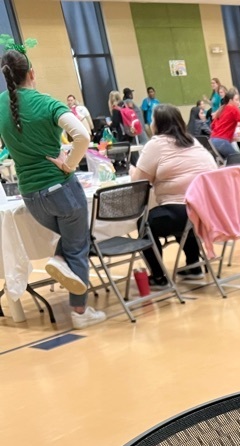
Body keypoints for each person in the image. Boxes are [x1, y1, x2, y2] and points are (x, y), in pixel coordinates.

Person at [0, 47, 105, 329]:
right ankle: (80, 312)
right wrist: (69, 164)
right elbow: (82, 135)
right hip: (61, 189)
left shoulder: (0, 105)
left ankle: (58, 259)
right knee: (77, 244)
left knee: (71, 242)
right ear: (31, 73)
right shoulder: (46, 103)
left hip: (31, 196)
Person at [129, 103, 216, 286]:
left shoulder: (156, 144)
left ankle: (159, 275)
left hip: (183, 211)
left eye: (152, 120)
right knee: (178, 214)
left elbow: (138, 183)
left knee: (146, 223)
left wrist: (132, 171)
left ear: (158, 124)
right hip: (206, 210)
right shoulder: (193, 141)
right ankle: (194, 265)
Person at [210, 87, 240, 160]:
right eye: (236, 100)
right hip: (222, 141)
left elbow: (212, 125)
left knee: (227, 161)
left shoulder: (222, 108)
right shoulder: (233, 108)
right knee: (238, 160)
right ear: (230, 100)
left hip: (212, 140)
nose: (238, 102)